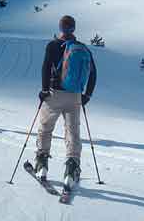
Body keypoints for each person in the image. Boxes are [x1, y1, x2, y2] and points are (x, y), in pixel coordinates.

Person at [34, 15, 97, 186]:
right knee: (72, 132)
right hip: (75, 95)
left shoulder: (53, 45)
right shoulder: (83, 48)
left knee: (46, 129)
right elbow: (93, 73)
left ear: (60, 27)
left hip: (54, 94)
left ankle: (42, 163)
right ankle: (72, 168)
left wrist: (44, 90)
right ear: (74, 29)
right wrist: (87, 95)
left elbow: (46, 68)